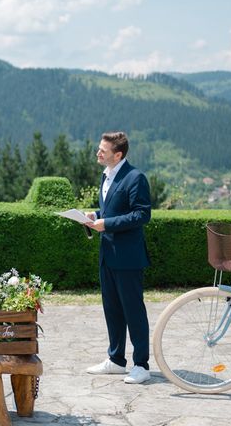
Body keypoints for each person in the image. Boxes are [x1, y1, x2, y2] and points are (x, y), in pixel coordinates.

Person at [85, 131, 152, 385]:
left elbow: (142, 215)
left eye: (103, 150)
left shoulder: (136, 178)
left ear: (118, 154)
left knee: (134, 312)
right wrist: (94, 215)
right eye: (99, 148)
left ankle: (142, 365)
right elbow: (110, 209)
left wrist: (107, 223)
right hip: (108, 256)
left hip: (128, 258)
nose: (98, 152)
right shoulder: (106, 175)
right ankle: (116, 361)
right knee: (112, 309)